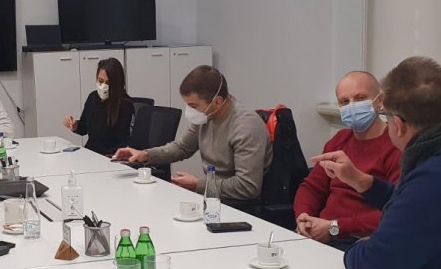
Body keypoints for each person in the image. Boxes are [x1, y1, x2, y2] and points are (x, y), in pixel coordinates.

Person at [312, 57, 441, 269]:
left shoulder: (438, 176)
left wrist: (360, 245)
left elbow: (372, 267)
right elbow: (412, 204)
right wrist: (366, 184)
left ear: (398, 124)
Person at [112, 65, 272, 200]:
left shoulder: (246, 126)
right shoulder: (207, 116)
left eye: (194, 106)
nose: (190, 111)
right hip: (212, 197)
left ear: (217, 102)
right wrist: (145, 155)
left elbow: (247, 186)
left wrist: (198, 185)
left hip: (238, 206)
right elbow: (182, 148)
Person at [294, 71, 401, 246]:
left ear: (380, 100)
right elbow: (312, 187)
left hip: (359, 241)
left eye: (360, 98)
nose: (352, 106)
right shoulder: (340, 140)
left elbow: (397, 210)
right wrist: (303, 216)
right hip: (320, 235)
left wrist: (334, 228)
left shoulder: (396, 144)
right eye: (344, 102)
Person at [62, 58, 134, 156]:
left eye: (108, 83)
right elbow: (84, 127)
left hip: (110, 156)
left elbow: (125, 142)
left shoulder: (125, 105)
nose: (103, 86)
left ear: (116, 83)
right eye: (100, 81)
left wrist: (111, 157)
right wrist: (75, 125)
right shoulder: (93, 97)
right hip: (90, 153)